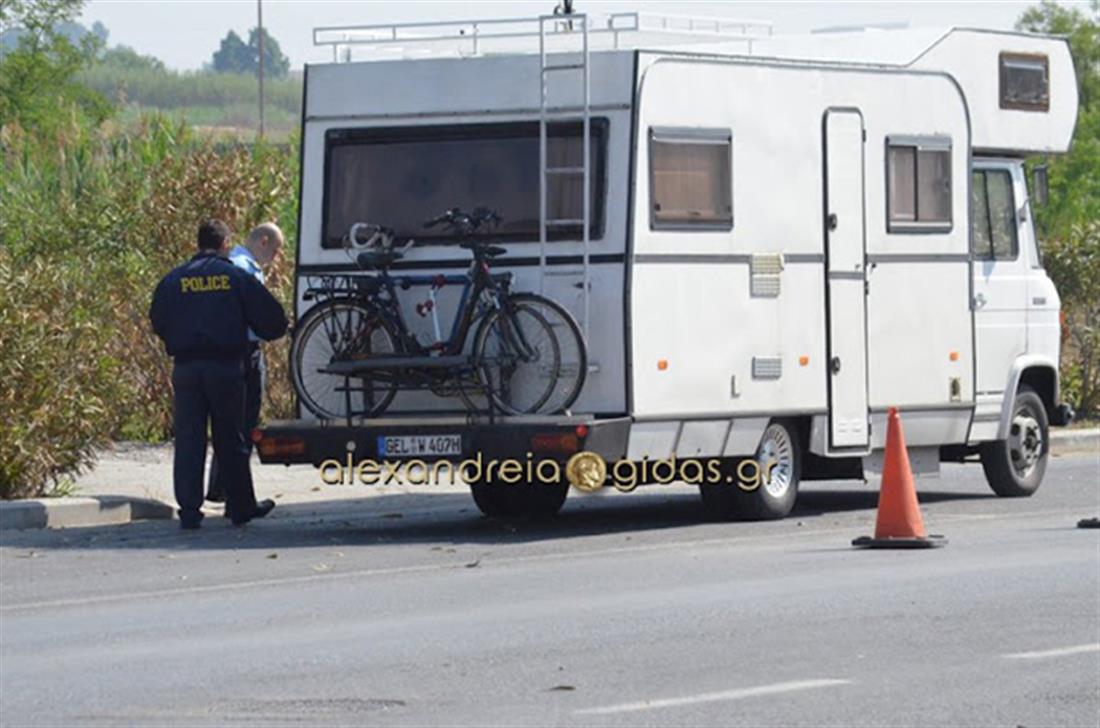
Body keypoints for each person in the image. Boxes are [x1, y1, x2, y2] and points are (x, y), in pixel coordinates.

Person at [149, 219, 289, 529]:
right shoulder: (234, 276)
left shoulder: (174, 279)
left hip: (185, 368)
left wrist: (180, 339)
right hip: (226, 367)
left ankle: (189, 512)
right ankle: (240, 507)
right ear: (226, 244)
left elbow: (157, 318)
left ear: (198, 244)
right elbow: (271, 317)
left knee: (189, 440)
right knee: (231, 437)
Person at [205, 222, 285, 504]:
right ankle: (232, 491)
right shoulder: (240, 267)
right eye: (275, 251)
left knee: (232, 423)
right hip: (242, 351)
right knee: (242, 422)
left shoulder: (239, 264)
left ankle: (221, 486)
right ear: (262, 241)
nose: (275, 259)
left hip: (235, 350)